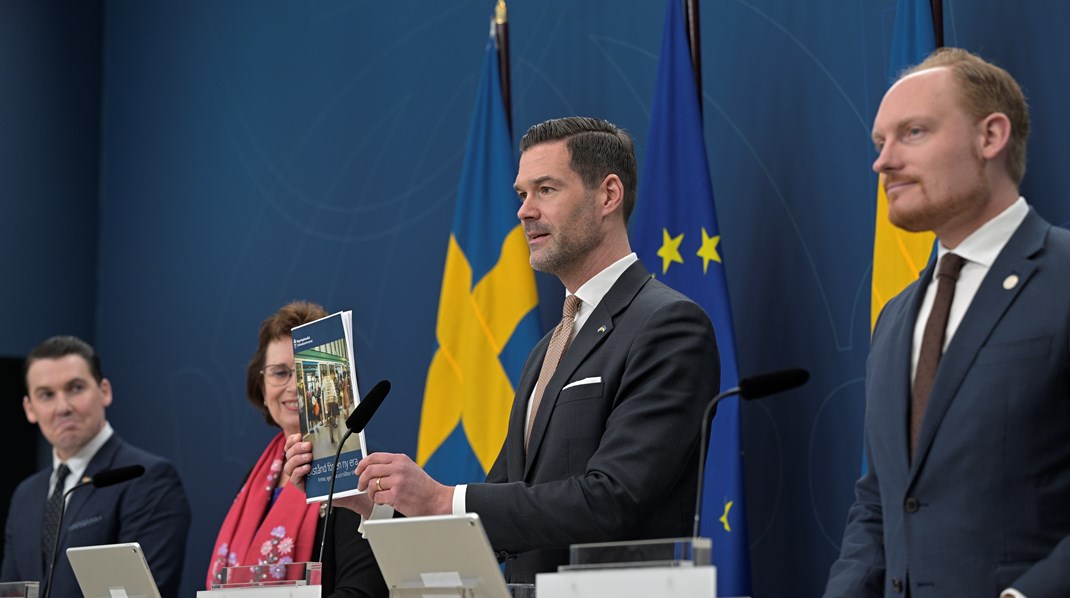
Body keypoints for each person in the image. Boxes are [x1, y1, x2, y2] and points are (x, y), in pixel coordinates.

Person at [286, 116, 720, 583]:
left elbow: (613, 500)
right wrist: (374, 504)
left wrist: (439, 497)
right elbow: (490, 522)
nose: (524, 211)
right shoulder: (547, 349)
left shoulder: (667, 325)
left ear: (608, 196)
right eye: (521, 194)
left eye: (546, 190)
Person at [824, 48, 1070, 598]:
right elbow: (880, 501)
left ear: (991, 137)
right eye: (879, 143)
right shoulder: (896, 318)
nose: (883, 162)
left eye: (912, 133)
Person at [207, 301, 387, 597]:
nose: (294, 387)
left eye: (306, 371)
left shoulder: (355, 469)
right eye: (280, 373)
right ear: (262, 388)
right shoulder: (257, 477)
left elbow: (362, 591)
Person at [1, 336, 191, 598]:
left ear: (104, 391)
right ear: (29, 408)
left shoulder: (147, 478)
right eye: (46, 395)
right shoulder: (26, 495)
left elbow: (142, 594)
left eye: (76, 388)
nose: (63, 407)